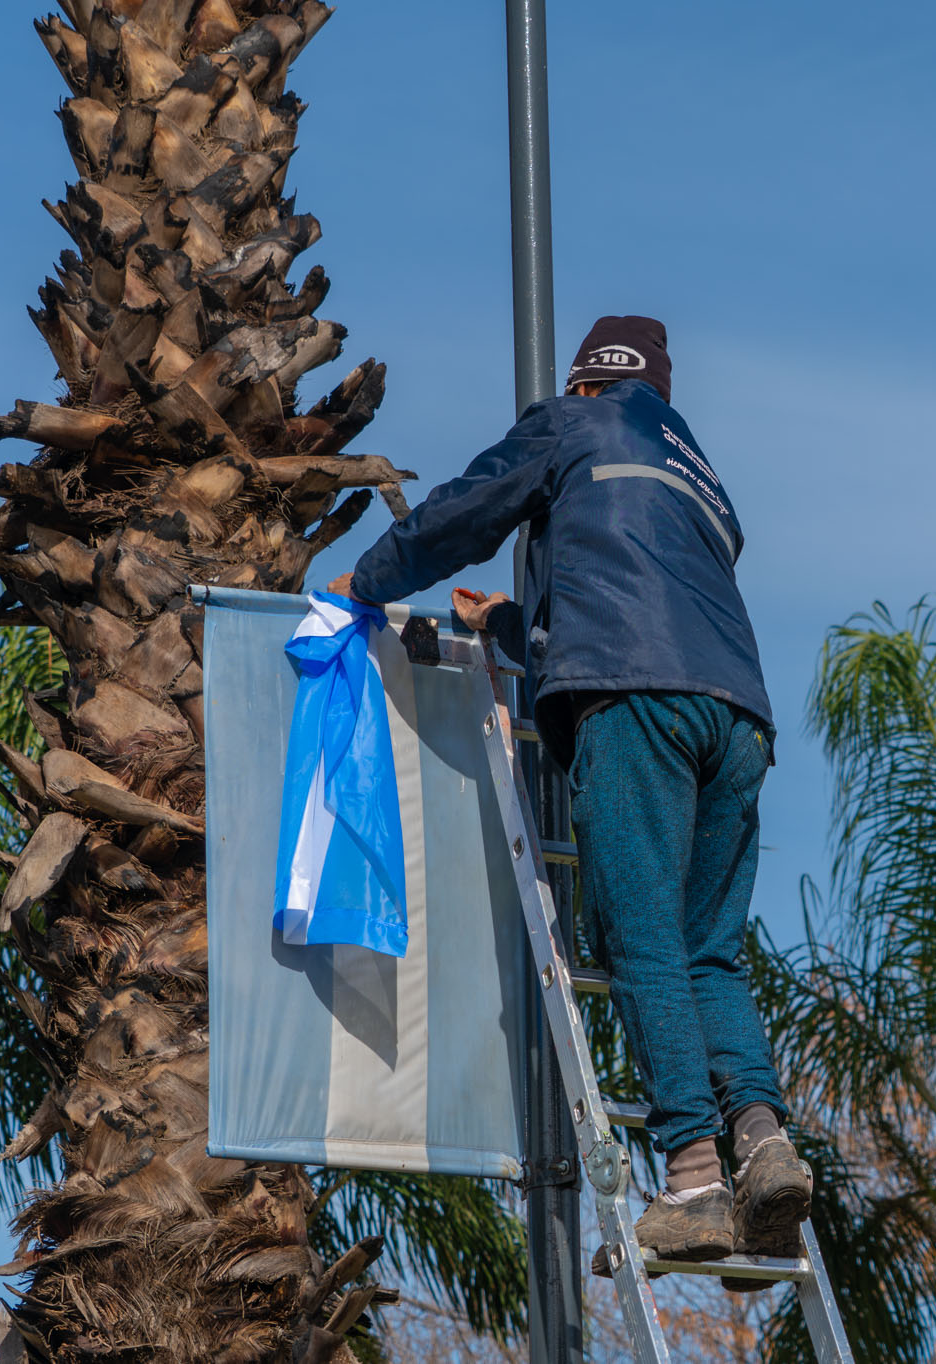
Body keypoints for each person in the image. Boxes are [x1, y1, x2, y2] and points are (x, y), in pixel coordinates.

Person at [328, 315, 810, 1280]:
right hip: (740, 721)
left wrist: (367, 583)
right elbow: (645, 596)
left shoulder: (572, 424)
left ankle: (691, 1179)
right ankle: (764, 1144)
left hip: (638, 709)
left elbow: (464, 511)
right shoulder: (700, 476)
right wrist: (512, 623)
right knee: (711, 949)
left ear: (586, 382)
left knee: (641, 941)